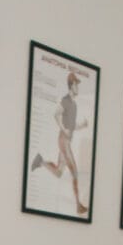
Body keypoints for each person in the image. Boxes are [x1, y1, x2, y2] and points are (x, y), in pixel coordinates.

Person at [31, 72, 89, 216]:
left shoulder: (74, 105)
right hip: (64, 141)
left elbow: (71, 124)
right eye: (77, 85)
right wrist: (63, 129)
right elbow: (56, 115)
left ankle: (41, 161)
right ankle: (78, 205)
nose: (78, 88)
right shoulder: (66, 100)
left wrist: (81, 126)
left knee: (58, 172)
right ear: (72, 85)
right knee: (75, 172)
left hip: (66, 140)